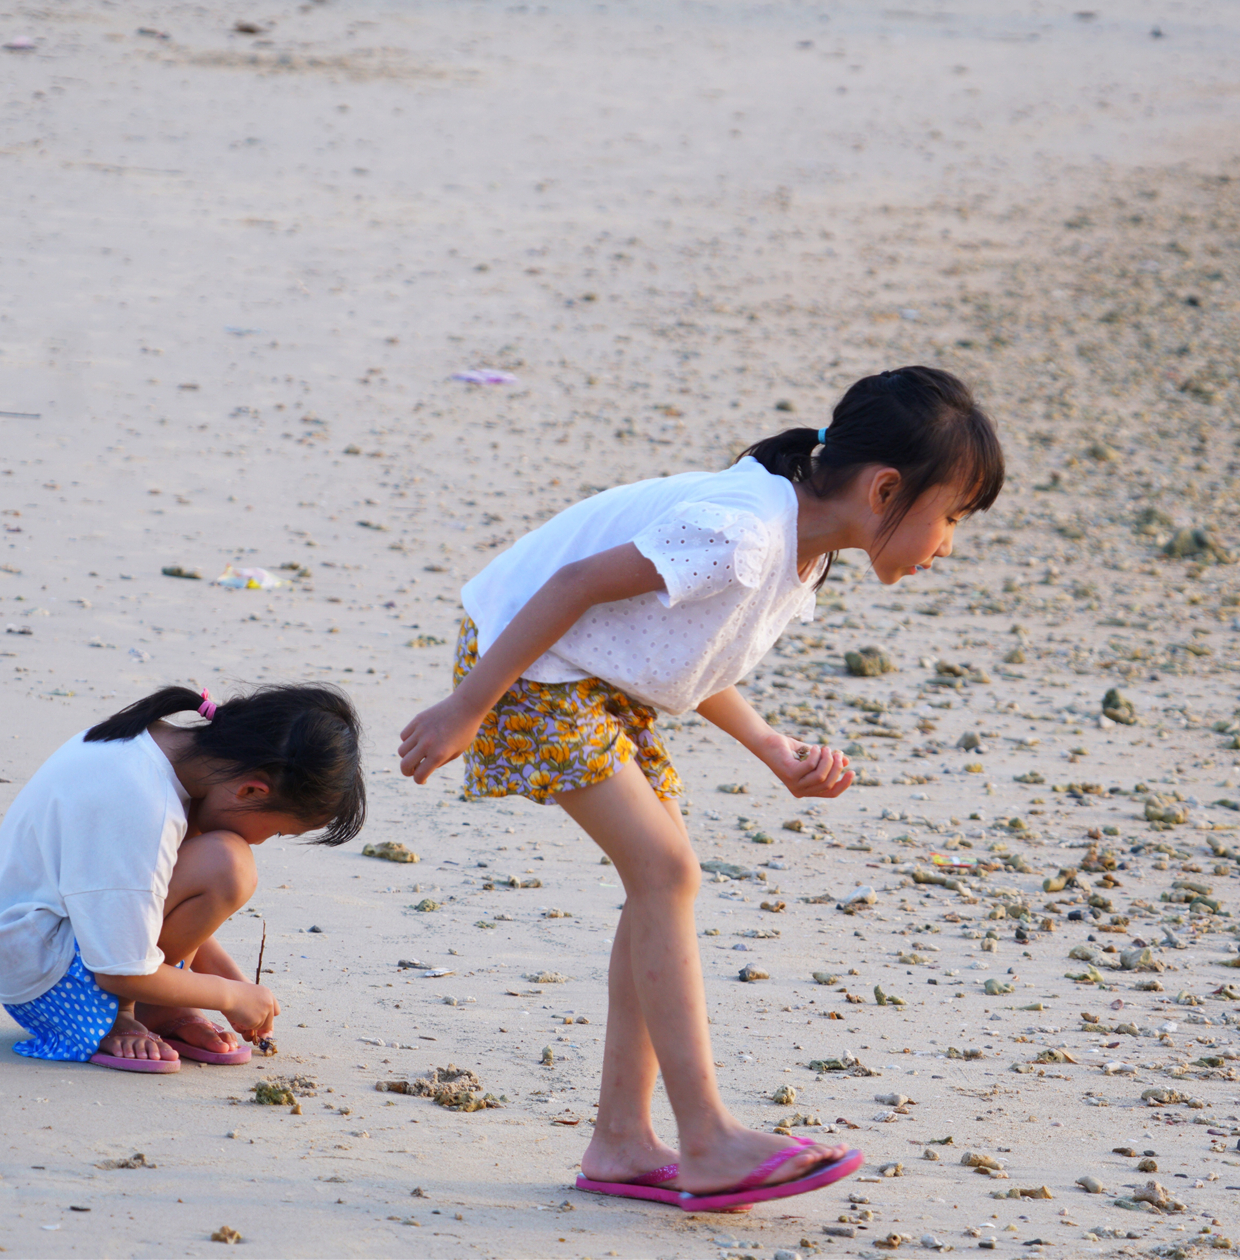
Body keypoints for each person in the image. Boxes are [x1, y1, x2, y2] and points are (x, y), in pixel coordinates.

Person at [396, 366, 1004, 1211]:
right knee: (668, 875)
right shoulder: (745, 532)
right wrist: (467, 707)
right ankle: (708, 1136)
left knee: (658, 886)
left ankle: (621, 1141)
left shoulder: (799, 549)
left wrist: (770, 747)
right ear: (886, 488)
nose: (949, 543)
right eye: (952, 518)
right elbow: (573, 587)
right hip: (527, 666)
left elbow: (681, 648)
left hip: (588, 673)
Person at [0, 684, 365, 1072]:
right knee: (228, 863)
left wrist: (238, 985)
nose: (263, 841)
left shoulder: (161, 752)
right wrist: (228, 995)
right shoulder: (146, 805)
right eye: (277, 831)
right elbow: (119, 970)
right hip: (46, 976)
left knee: (216, 844)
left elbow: (140, 900)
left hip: (55, 938)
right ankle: (117, 1017)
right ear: (252, 789)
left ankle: (160, 1006)